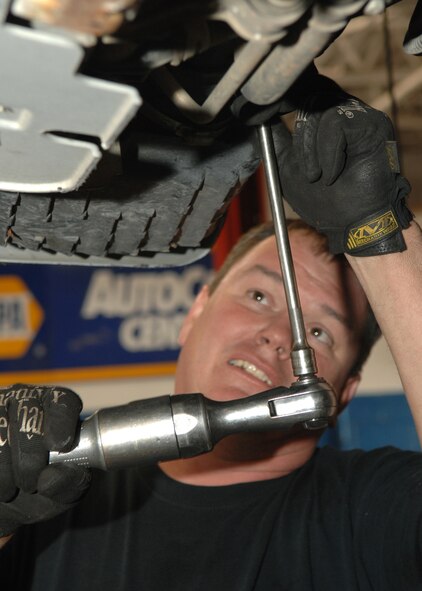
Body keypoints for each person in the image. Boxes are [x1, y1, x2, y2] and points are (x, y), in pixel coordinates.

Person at [0, 93, 421, 590]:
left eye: (317, 331)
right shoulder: (50, 496)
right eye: (260, 295)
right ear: (195, 312)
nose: (276, 336)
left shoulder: (373, 511)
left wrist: (381, 239)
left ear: (344, 392)